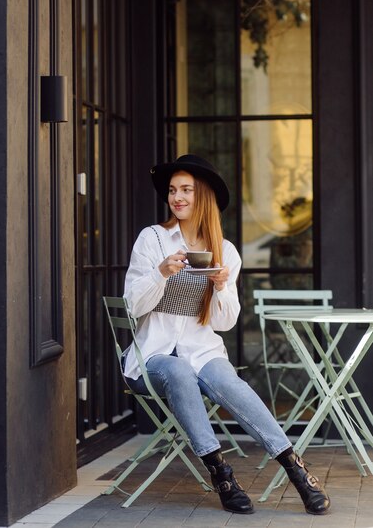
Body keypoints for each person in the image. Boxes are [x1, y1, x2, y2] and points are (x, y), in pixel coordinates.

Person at [122, 154, 330, 515]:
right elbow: (132, 306)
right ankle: (222, 475)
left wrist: (220, 287)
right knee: (178, 370)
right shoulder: (152, 239)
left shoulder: (226, 251)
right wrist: (161, 273)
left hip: (203, 350)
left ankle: (297, 470)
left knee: (228, 381)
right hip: (152, 357)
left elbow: (226, 322)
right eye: (173, 190)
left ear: (203, 196)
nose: (177, 197)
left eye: (186, 190)